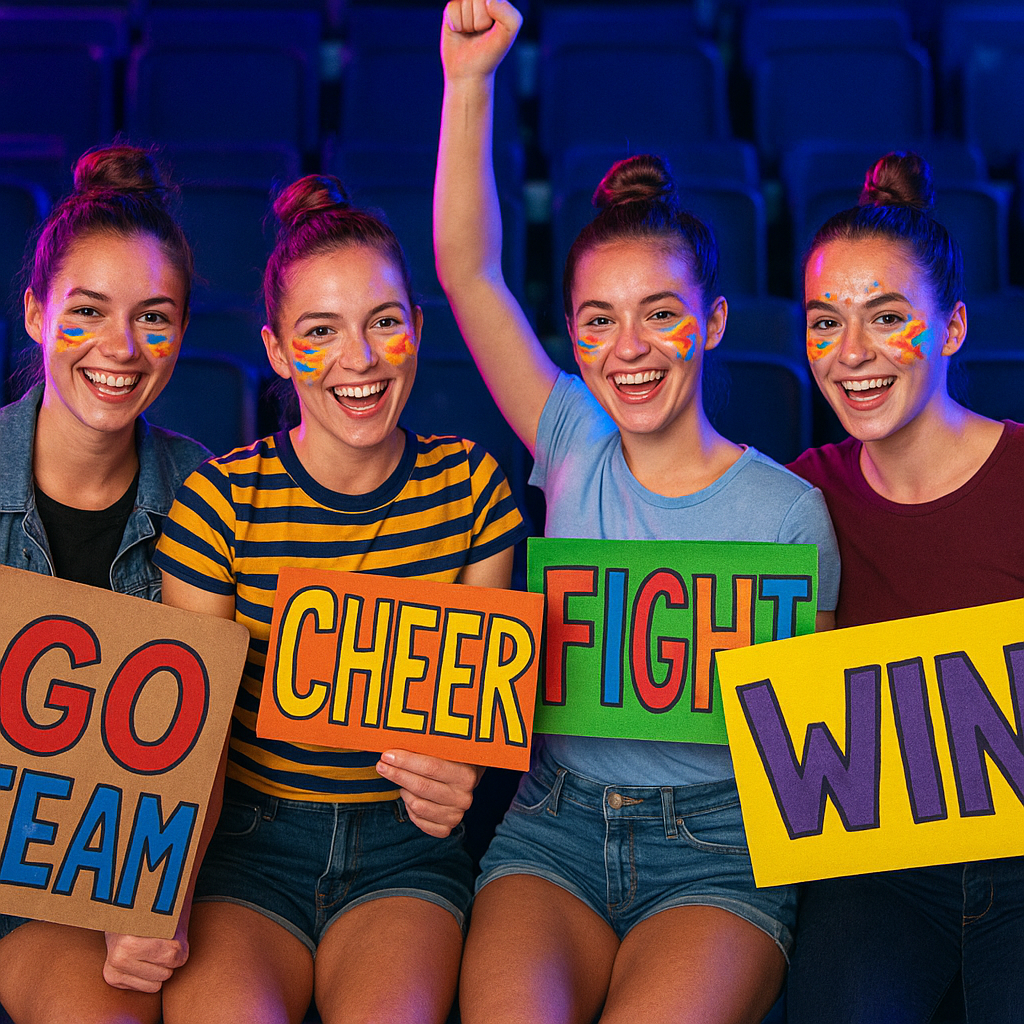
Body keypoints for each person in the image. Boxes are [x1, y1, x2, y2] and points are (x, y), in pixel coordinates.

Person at [435, 3, 840, 1021]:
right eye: (598, 321)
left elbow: (813, 762)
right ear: (571, 338)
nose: (630, 348)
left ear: (708, 322)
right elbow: (469, 271)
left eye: (659, 313)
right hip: (554, 830)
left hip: (721, 845)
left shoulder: (789, 515)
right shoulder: (568, 437)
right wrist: (471, 81)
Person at [153, 172, 528, 1024]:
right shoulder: (219, 502)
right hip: (243, 851)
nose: (358, 360)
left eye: (383, 323)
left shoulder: (472, 488)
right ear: (279, 351)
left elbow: (470, 729)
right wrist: (154, 896)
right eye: (320, 332)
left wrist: (459, 774)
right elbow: (187, 749)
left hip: (404, 851)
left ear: (416, 331)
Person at [787, 152, 1024, 1023]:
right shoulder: (801, 492)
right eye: (824, 323)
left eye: (888, 318)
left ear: (953, 327)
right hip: (880, 868)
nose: (851, 355)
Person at [0, 145, 209, 1023]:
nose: (122, 348)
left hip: (103, 880)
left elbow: (211, 747)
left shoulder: (207, 493)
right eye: (88, 312)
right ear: (36, 313)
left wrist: (160, 905)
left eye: (153, 317)